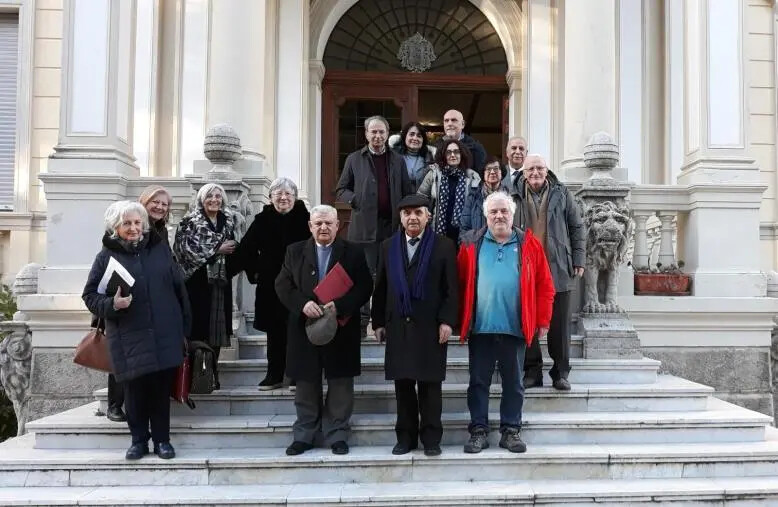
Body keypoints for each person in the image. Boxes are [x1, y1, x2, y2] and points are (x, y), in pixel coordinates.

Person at [82, 201, 191, 460]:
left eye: (137, 223)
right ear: (115, 227)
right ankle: (139, 441)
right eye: (127, 223)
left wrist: (185, 329)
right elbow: (89, 295)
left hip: (165, 332)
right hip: (128, 335)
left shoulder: (160, 249)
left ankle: (163, 441)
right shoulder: (106, 257)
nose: (133, 228)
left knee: (160, 392)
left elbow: (179, 290)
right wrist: (112, 304)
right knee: (134, 393)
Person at [457, 191, 555, 454]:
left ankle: (510, 431)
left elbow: (545, 285)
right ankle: (478, 431)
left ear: (512, 215)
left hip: (515, 328)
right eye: (494, 212)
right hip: (481, 329)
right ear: (485, 216)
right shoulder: (470, 245)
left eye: (504, 212)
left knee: (514, 383)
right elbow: (459, 284)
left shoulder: (529, 245)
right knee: (478, 382)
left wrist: (543, 319)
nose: (499, 216)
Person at [276, 205, 373, 456]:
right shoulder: (294, 251)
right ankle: (305, 434)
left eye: (328, 223)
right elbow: (282, 284)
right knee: (306, 383)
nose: (323, 228)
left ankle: (337, 434)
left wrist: (339, 306)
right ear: (310, 226)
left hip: (341, 328)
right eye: (318, 223)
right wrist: (302, 304)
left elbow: (364, 286)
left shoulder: (352, 253)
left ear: (337, 226)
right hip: (304, 327)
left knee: (340, 384)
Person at [371, 194, 458, 457]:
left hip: (430, 327)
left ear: (427, 216)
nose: (412, 218)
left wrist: (447, 321)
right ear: (400, 217)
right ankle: (405, 438)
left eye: (418, 213)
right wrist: (377, 322)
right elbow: (381, 286)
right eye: (407, 213)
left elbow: (450, 289)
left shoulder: (444, 246)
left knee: (430, 386)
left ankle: (431, 439)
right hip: (398, 325)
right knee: (403, 386)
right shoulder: (388, 246)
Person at [509, 154, 585, 391]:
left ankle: (560, 373)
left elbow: (577, 226)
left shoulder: (562, 194)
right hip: (525, 268)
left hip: (558, 266)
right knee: (529, 321)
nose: (535, 173)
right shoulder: (513, 195)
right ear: (523, 173)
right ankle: (532, 372)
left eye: (539, 168)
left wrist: (579, 258)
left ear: (547, 170)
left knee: (559, 325)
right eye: (530, 169)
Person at [102, 185, 175, 424]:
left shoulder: (161, 231)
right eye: (156, 202)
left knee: (142, 357)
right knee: (122, 355)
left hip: (150, 303)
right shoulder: (125, 222)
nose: (160, 207)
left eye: (164, 204)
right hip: (123, 301)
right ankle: (115, 403)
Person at [335, 115, 412, 338]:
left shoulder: (398, 160)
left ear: (387, 134)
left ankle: (386, 321)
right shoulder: (354, 159)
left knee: (388, 276)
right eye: (373, 132)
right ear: (366, 134)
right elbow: (341, 189)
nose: (377, 136)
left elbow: (407, 192)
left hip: (392, 229)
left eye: (381, 132)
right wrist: (355, 200)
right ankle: (361, 325)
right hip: (363, 230)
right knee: (363, 277)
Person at [237, 177, 310, 391]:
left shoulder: (305, 219)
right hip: (270, 284)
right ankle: (274, 374)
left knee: (297, 329)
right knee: (274, 331)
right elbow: (246, 249)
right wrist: (255, 272)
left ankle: (296, 374)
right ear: (270, 198)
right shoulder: (262, 220)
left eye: (288, 194)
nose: (283, 198)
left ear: (295, 198)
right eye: (278, 194)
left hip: (299, 284)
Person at [173, 183, 238, 390]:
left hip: (220, 282)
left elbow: (234, 246)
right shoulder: (189, 221)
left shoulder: (227, 221)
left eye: (218, 196)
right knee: (198, 327)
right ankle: (195, 374)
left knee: (218, 330)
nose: (214, 200)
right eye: (210, 196)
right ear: (202, 199)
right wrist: (217, 249)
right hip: (197, 282)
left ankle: (212, 373)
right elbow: (183, 250)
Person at [417, 139, 481, 244]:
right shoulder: (434, 174)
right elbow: (421, 196)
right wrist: (425, 211)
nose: (452, 155)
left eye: (456, 151)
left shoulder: (472, 177)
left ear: (462, 154)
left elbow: (477, 206)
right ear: (443, 155)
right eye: (448, 152)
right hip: (438, 229)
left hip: (464, 232)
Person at [459, 156, 507, 241]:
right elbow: (464, 231)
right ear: (483, 174)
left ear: (501, 172)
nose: (492, 172)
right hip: (479, 248)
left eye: (496, 168)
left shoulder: (510, 197)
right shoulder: (473, 198)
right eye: (488, 169)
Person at [435, 109, 486, 174]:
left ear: (463, 124)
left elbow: (481, 175)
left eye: (454, 120)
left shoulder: (476, 147)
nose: (449, 123)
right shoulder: (435, 146)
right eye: (446, 121)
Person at [392, 121, 435, 193]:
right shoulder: (393, 157)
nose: (415, 138)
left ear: (423, 140)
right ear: (405, 136)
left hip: (423, 202)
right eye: (411, 134)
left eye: (419, 136)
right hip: (398, 201)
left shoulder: (431, 158)